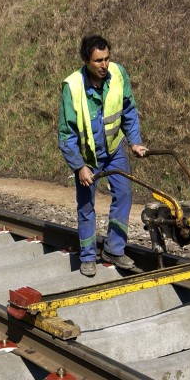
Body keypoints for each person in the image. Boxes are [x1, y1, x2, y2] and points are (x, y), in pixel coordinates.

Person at [58, 34, 148, 277]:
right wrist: (79, 167)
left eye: (107, 59)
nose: (104, 65)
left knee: (124, 194)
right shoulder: (73, 87)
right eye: (98, 61)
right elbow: (66, 134)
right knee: (86, 204)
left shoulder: (118, 74)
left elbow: (128, 109)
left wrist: (135, 141)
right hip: (87, 156)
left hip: (114, 149)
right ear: (86, 60)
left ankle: (114, 249)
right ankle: (87, 256)